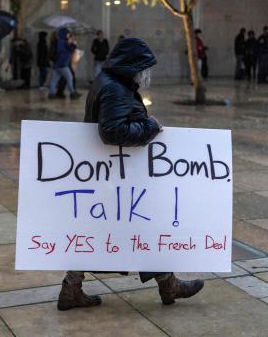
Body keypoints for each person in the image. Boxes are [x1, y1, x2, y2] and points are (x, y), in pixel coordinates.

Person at [57, 37, 205, 311]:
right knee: (135, 227)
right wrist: (149, 127)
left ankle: (73, 288)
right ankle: (167, 284)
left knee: (115, 230)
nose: (147, 75)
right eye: (144, 68)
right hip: (115, 175)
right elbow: (113, 132)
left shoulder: (110, 81)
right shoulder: (115, 90)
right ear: (132, 67)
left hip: (111, 174)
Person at [48, 28, 81, 100]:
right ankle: (73, 93)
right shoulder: (62, 42)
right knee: (70, 78)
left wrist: (71, 44)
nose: (68, 35)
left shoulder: (60, 42)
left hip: (57, 65)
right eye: (67, 33)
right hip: (63, 64)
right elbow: (70, 49)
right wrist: (74, 44)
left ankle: (51, 93)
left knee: (54, 80)